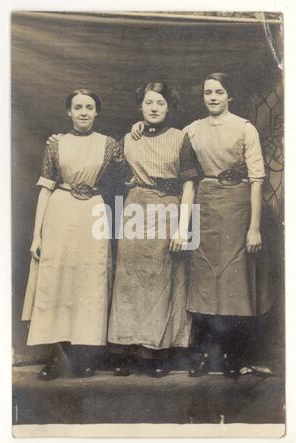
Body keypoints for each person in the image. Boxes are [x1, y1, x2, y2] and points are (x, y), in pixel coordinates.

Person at [131, 73, 272, 377]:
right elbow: (169, 146)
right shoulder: (192, 131)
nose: (212, 97)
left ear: (229, 96)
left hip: (238, 210)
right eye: (208, 92)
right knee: (205, 285)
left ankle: (235, 359)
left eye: (219, 92)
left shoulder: (245, 128)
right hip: (204, 209)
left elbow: (257, 181)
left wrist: (254, 227)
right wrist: (141, 127)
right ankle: (207, 357)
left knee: (236, 287)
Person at [22, 89, 123, 380]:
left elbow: (123, 181)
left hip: (93, 212)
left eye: (89, 107)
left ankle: (84, 358)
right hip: (60, 212)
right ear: (69, 112)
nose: (83, 112)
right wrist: (37, 235)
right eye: (77, 107)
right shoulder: (56, 144)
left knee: (89, 282)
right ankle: (58, 357)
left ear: (96, 112)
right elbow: (46, 187)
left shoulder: (109, 145)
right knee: (58, 282)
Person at [107, 82, 202, 378]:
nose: (154, 108)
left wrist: (182, 228)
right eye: (149, 102)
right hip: (135, 209)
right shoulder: (129, 137)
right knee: (129, 279)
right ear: (141, 106)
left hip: (168, 210)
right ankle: (126, 351)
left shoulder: (180, 138)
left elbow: (189, 186)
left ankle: (158, 351)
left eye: (160, 103)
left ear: (169, 108)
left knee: (163, 280)